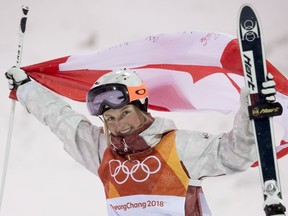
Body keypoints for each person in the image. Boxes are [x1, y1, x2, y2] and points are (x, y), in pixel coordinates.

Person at [5, 67, 277, 216]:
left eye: (124, 113)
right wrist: (27, 89)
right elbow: (60, 119)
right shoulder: (103, 151)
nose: (118, 125)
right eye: (109, 118)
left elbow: (236, 153)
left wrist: (251, 103)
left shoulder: (177, 147)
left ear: (142, 106)